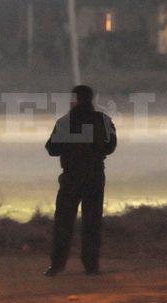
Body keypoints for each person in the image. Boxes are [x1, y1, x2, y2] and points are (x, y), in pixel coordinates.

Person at [44, 85, 117, 277]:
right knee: (92, 222)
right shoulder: (103, 120)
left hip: (71, 177)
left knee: (64, 222)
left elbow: (52, 148)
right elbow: (110, 146)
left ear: (74, 100)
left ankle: (57, 264)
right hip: (94, 176)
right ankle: (91, 265)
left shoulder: (65, 122)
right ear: (91, 99)